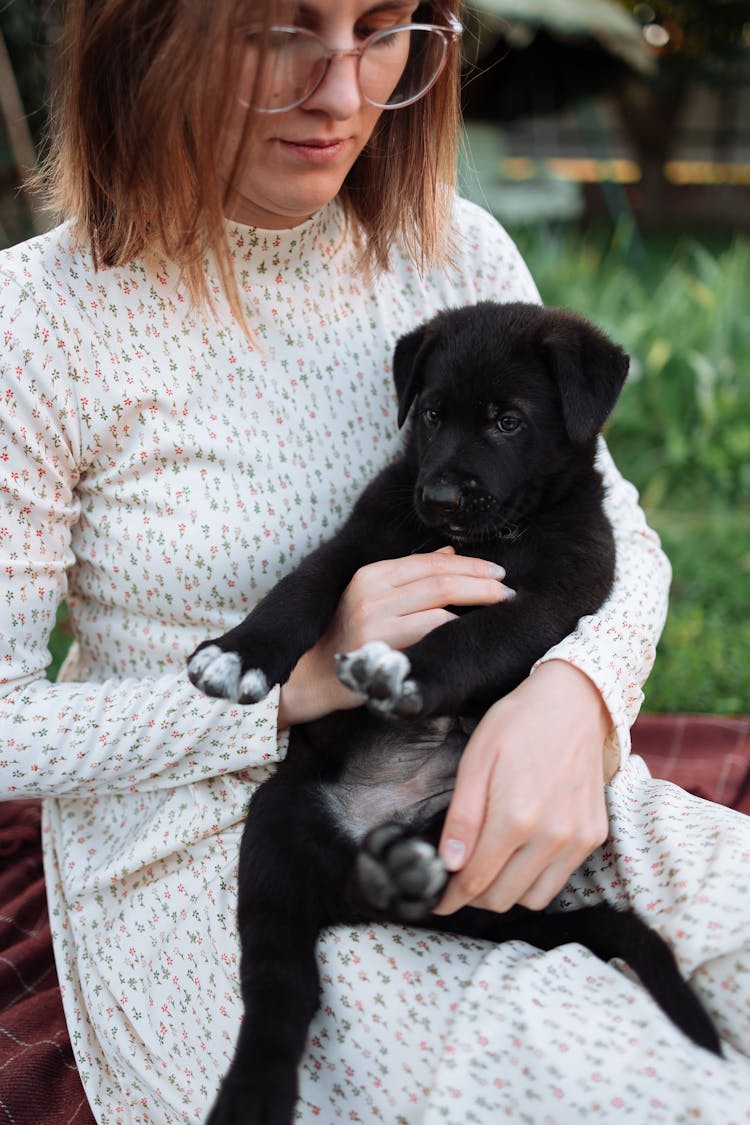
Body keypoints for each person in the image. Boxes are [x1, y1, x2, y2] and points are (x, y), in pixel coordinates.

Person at [1, 1, 749, 1121]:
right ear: (153, 36)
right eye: (280, 30)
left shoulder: (453, 250)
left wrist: (577, 696)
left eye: (384, 26)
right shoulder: (38, 323)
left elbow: (616, 536)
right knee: (667, 1094)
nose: (345, 91)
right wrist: (292, 686)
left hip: (498, 755)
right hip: (230, 843)